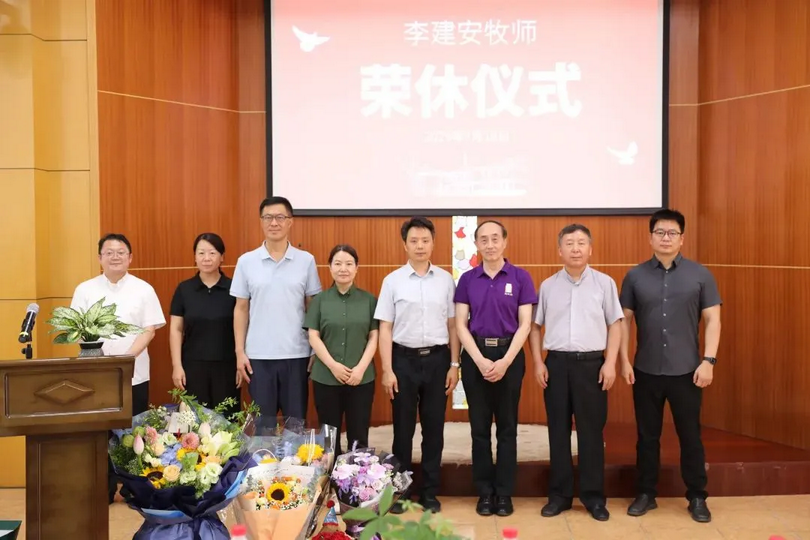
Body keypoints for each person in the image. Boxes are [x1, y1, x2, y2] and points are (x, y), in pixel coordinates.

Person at [619, 208, 722, 523]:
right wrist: (624, 359)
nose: (665, 238)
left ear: (682, 238)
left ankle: (697, 497)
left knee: (690, 436)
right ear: (650, 237)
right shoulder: (635, 275)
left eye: (672, 233)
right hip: (646, 370)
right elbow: (624, 321)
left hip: (687, 371)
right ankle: (646, 493)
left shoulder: (700, 274)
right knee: (647, 436)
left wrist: (709, 360)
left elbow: (713, 319)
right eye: (660, 232)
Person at [529, 224, 623, 522]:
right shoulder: (548, 286)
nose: (576, 248)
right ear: (560, 250)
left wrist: (610, 363)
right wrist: (537, 362)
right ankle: (559, 496)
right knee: (557, 432)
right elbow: (534, 326)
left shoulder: (605, 284)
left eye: (581, 243)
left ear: (590, 249)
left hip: (592, 365)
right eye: (569, 243)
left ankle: (594, 498)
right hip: (555, 364)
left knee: (591, 434)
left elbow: (616, 324)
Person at [70, 233, 166, 504]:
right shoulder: (85, 289)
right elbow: (76, 330)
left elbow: (149, 330)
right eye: (109, 252)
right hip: (96, 375)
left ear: (130, 257)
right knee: (100, 433)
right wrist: (101, 359)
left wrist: (126, 358)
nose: (115, 256)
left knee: (135, 431)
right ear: (99, 258)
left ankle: (135, 488)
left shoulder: (143, 288)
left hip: (134, 372)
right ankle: (104, 487)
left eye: (120, 252)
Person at [375, 217, 460, 514]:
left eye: (425, 240)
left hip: (437, 360)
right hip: (403, 361)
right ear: (405, 244)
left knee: (434, 429)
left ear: (433, 242)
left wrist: (454, 364)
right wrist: (387, 369)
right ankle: (400, 492)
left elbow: (453, 325)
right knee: (402, 430)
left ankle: (430, 493)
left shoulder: (446, 280)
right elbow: (385, 328)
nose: (420, 246)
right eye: (414, 241)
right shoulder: (392, 281)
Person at [454, 220, 537, 517]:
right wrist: (478, 359)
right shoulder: (467, 279)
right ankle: (484, 492)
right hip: (476, 355)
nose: (490, 245)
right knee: (478, 429)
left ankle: (504, 493)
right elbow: (460, 324)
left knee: (507, 427)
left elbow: (525, 324)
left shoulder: (520, 277)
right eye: (483, 240)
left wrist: (505, 361)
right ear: (476, 244)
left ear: (505, 241)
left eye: (495, 239)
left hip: (509, 355)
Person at [231, 196, 322, 423]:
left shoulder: (306, 261)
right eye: (268, 217)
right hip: (258, 358)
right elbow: (241, 309)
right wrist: (240, 352)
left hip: (297, 355)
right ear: (261, 222)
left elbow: (313, 306)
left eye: (280, 217)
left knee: (296, 425)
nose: (274, 223)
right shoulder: (246, 261)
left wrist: (314, 351)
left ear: (290, 222)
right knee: (263, 428)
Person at [304, 245, 378, 455]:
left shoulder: (369, 300)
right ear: (329, 268)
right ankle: (331, 485)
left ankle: (360, 486)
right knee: (329, 439)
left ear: (357, 268)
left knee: (359, 437)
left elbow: (374, 336)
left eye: (348, 264)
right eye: (337, 263)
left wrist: (361, 368)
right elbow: (313, 336)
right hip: (326, 377)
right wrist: (333, 366)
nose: (343, 268)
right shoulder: (319, 300)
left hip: (361, 378)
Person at [169, 233, 240, 416]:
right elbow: (176, 329)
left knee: (227, 423)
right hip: (193, 368)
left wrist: (241, 361)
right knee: (194, 424)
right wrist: (177, 365)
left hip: (227, 367)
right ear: (195, 257)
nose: (206, 258)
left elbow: (244, 327)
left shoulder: (234, 288)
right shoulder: (184, 289)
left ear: (222, 257)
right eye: (201, 253)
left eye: (212, 253)